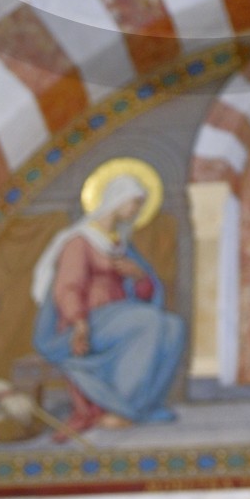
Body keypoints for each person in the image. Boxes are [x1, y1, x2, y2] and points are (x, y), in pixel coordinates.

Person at [31, 166, 187, 439]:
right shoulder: (80, 242)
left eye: (142, 205)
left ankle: (142, 405)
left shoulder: (120, 244)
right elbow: (68, 287)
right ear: (119, 199)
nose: (138, 209)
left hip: (119, 317)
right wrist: (80, 325)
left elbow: (146, 291)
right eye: (136, 202)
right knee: (147, 321)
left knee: (174, 326)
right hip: (85, 322)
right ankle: (119, 407)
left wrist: (138, 276)